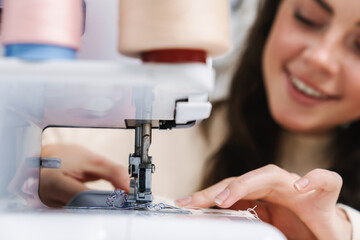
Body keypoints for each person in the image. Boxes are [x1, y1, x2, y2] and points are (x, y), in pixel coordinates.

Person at [39, 0, 359, 239]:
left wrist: (343, 231)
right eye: (308, 19)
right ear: (271, 17)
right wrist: (28, 164)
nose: (320, 58)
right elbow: (46, 152)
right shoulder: (178, 130)